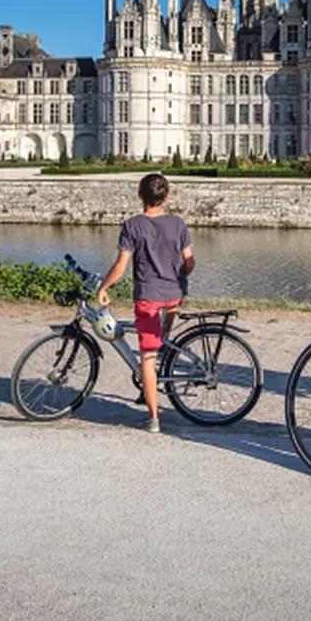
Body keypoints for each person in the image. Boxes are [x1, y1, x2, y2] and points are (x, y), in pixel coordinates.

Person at [99, 173, 195, 434]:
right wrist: (181, 276)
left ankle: (153, 418)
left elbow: (121, 267)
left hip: (148, 296)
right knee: (161, 337)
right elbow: (190, 262)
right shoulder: (177, 223)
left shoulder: (132, 226)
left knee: (148, 357)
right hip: (174, 293)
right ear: (167, 197)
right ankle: (164, 345)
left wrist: (104, 288)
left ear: (139, 195)